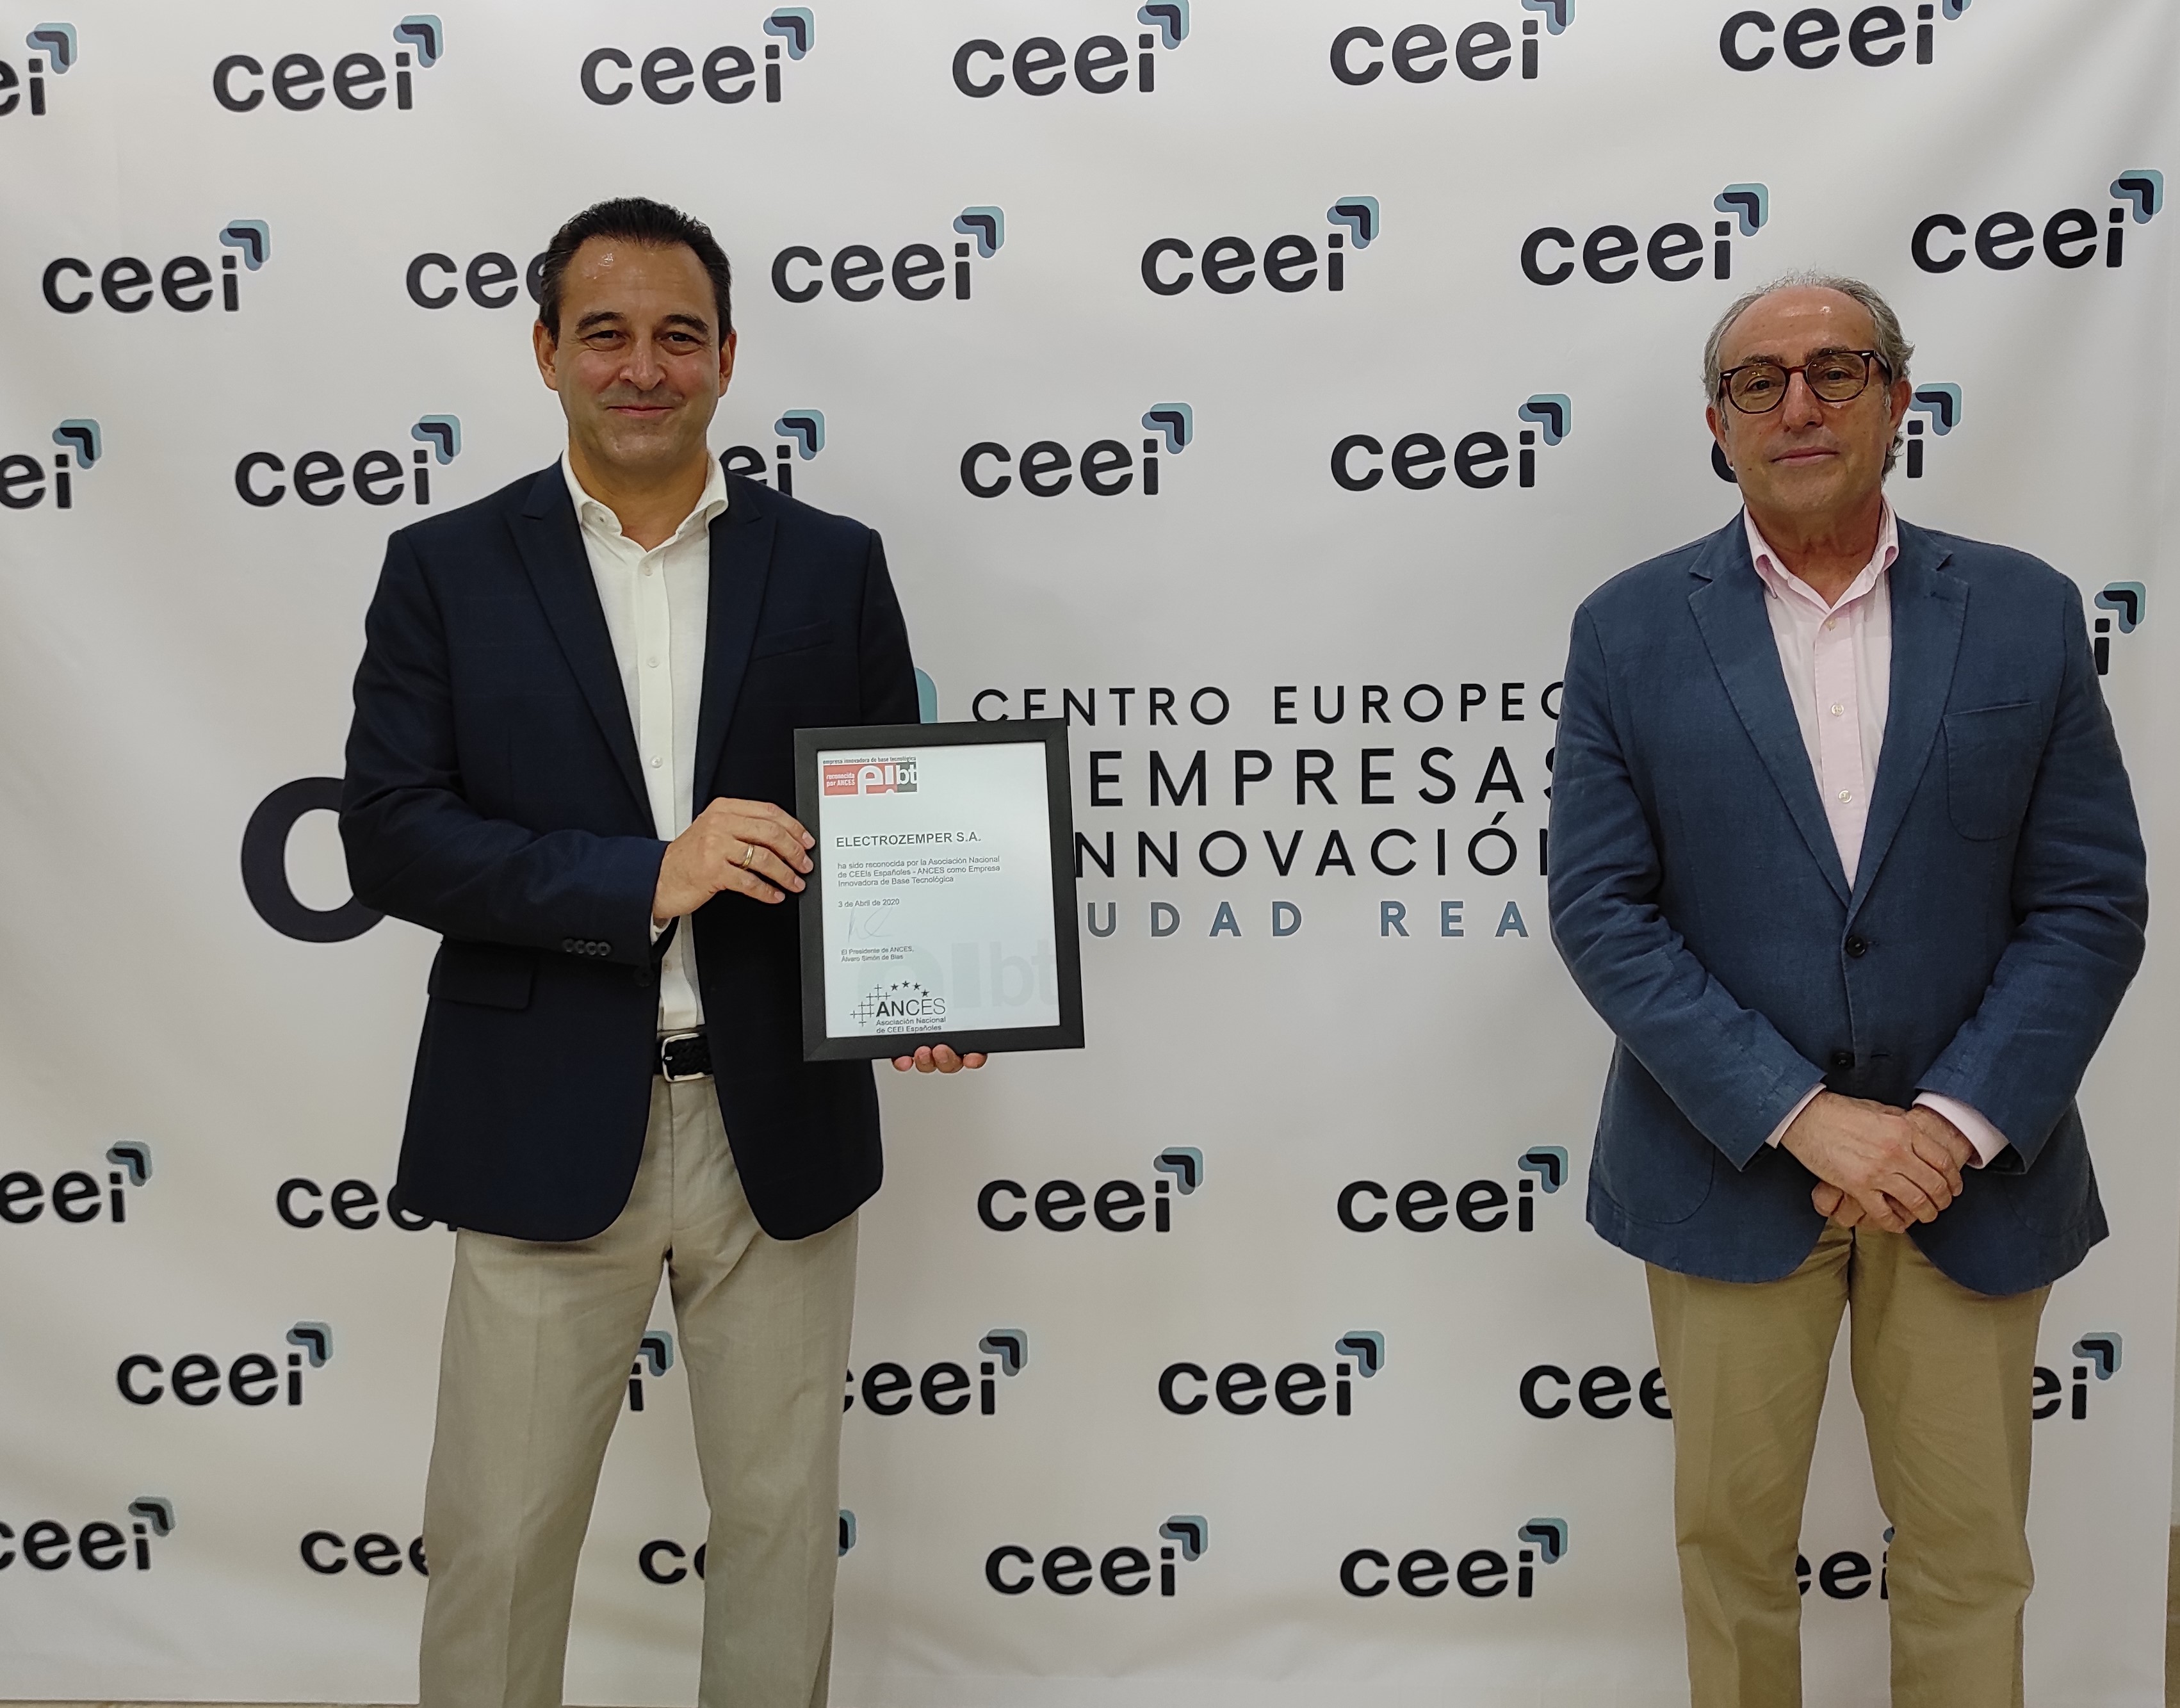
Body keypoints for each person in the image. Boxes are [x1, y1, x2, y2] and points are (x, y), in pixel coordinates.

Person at [339, 195, 980, 1708]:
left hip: (778, 1118)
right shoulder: (443, 566)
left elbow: (887, 813)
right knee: (498, 1541)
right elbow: (395, 836)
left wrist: (927, 979)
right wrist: (649, 872)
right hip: (538, 1112)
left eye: (679, 335)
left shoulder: (831, 565)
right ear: (547, 350)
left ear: (728, 358)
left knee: (778, 1533)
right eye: (607, 333)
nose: (644, 366)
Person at [1547, 272, 2147, 1707]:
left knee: (1969, 1559)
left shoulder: (2024, 610)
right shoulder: (1628, 627)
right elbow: (1602, 911)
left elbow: (2089, 898)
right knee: (1730, 1556)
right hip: (1726, 1167)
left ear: (1899, 400)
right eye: (1759, 381)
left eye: (1838, 369)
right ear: (1717, 424)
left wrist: (1947, 1122)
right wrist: (1804, 1113)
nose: (1799, 404)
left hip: (1970, 1182)